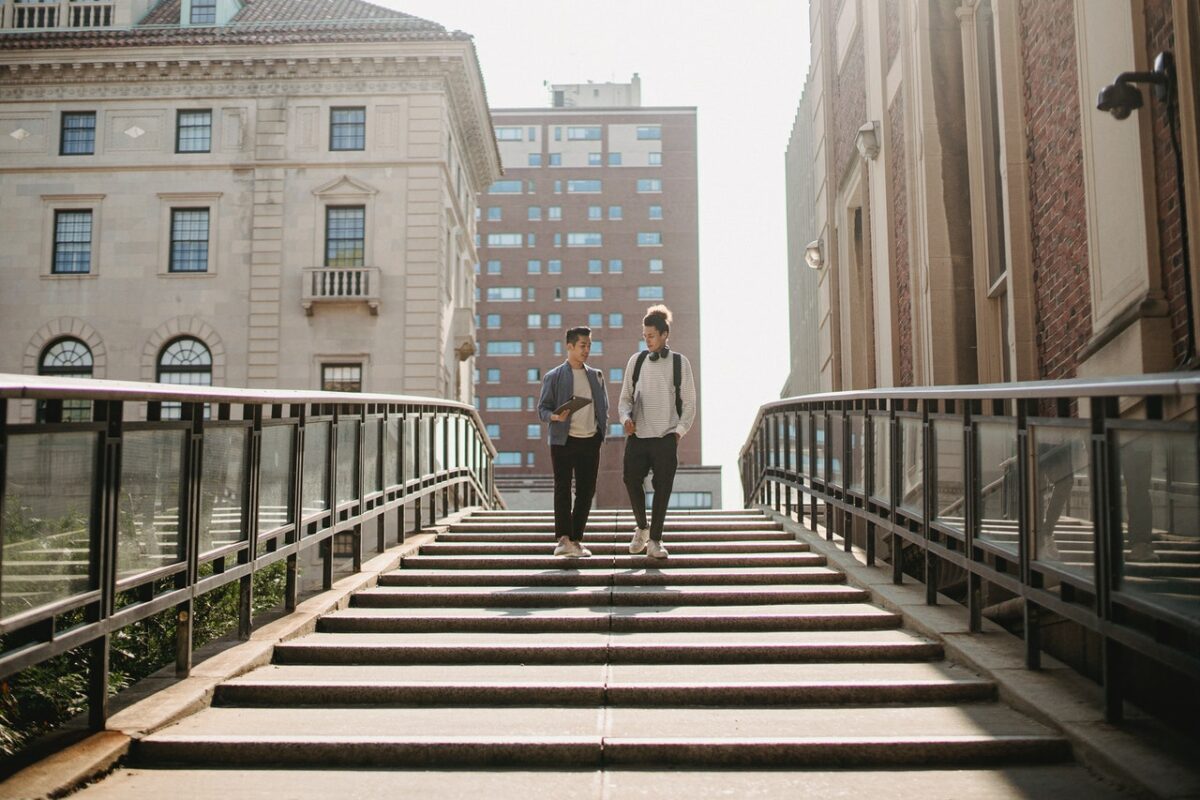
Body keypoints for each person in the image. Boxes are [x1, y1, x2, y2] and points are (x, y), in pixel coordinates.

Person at [618, 305, 697, 559]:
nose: (647, 340)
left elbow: (690, 402)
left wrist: (679, 431)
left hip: (666, 436)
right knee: (630, 479)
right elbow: (625, 399)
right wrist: (625, 418)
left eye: (651, 335)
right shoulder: (636, 361)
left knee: (663, 488)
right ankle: (641, 527)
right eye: (644, 336)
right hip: (638, 436)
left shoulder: (679, 363)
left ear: (664, 334)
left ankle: (655, 540)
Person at [537, 326, 609, 557]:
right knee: (563, 488)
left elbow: (603, 407)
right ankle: (563, 539)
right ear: (569, 346)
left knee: (587, 491)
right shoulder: (554, 376)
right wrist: (555, 416)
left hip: (590, 440)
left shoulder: (596, 376)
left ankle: (576, 539)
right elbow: (542, 409)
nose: (587, 350)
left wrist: (600, 433)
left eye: (589, 345)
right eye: (582, 345)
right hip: (563, 440)